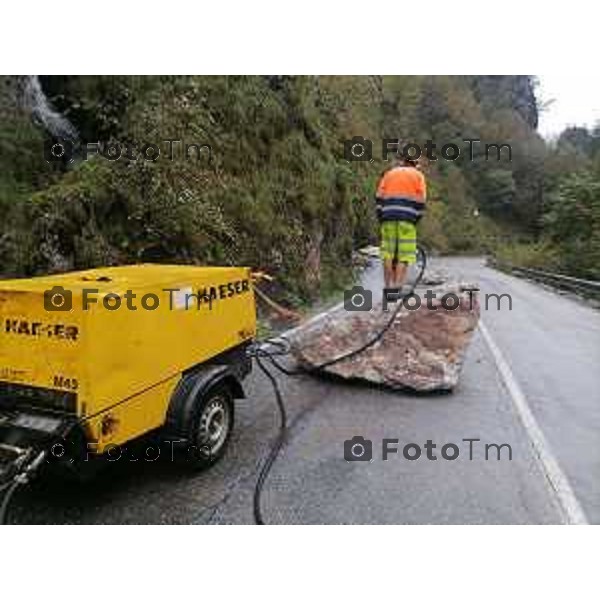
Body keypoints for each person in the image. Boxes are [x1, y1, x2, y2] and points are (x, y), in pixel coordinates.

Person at [375, 154, 427, 290]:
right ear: (416, 163)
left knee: (387, 253)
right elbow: (421, 201)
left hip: (387, 217)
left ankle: (387, 287)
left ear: (403, 162)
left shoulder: (389, 173)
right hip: (407, 219)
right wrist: (416, 219)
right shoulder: (418, 176)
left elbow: (379, 198)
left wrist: (381, 217)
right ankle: (397, 287)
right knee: (404, 254)